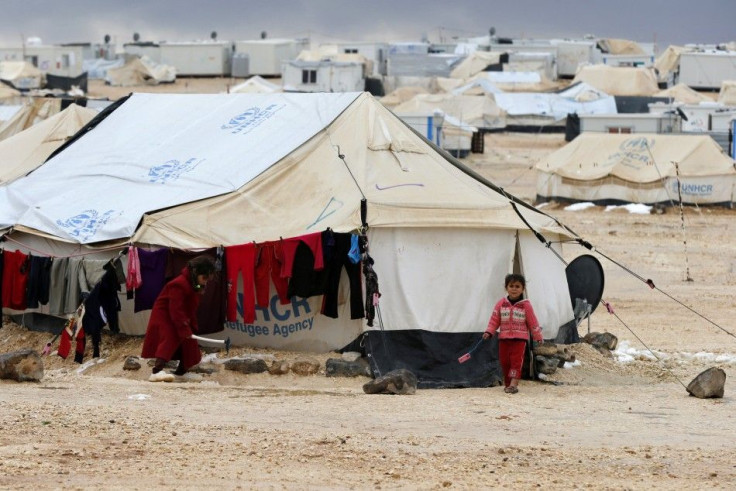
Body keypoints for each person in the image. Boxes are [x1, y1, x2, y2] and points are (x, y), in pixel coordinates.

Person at [141, 255, 216, 382]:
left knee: (188, 342)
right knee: (171, 337)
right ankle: (157, 371)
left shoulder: (192, 284)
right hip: (165, 315)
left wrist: (189, 325)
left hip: (178, 316)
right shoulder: (179, 284)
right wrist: (183, 326)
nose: (205, 282)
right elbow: (176, 309)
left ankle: (181, 371)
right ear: (196, 273)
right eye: (204, 278)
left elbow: (188, 307)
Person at [482, 273, 543, 394]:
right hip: (504, 338)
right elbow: (495, 319)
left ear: (523, 288)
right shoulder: (501, 304)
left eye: (517, 286)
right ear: (506, 288)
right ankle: (508, 383)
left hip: (519, 339)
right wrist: (489, 331)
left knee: (516, 362)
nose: (514, 289)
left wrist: (538, 336)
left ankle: (514, 384)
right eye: (511, 286)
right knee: (505, 362)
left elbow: (533, 322)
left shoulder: (526, 306)